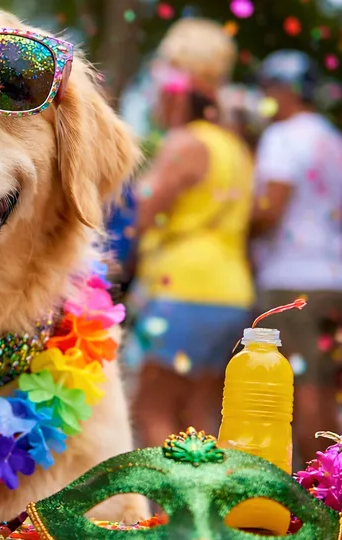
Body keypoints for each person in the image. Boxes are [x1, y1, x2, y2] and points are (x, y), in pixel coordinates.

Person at [129, 19, 255, 447]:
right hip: (230, 293)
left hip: (182, 289)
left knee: (152, 409)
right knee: (199, 413)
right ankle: (215, 511)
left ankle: (172, 513)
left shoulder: (184, 144)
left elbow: (139, 214)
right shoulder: (235, 146)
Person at [250, 50, 342, 464]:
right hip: (332, 277)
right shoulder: (331, 138)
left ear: (282, 91)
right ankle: (332, 490)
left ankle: (314, 501)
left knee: (296, 391)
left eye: (268, 91)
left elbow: (270, 210)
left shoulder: (283, 137)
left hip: (293, 279)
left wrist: (237, 225)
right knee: (323, 390)